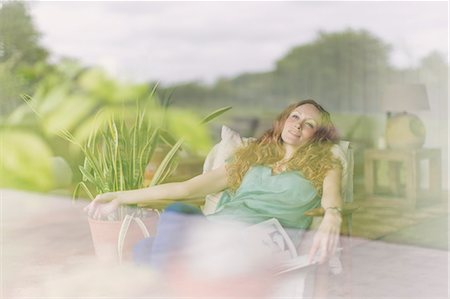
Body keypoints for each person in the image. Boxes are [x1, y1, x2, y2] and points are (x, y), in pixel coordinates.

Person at [84, 99, 343, 266]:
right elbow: (185, 189)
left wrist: (333, 216)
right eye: (295, 117)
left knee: (147, 251)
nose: (298, 125)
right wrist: (118, 196)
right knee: (172, 216)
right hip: (215, 231)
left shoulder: (325, 165)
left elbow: (332, 197)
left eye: (309, 124)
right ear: (285, 119)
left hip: (261, 243)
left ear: (317, 136)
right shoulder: (251, 159)